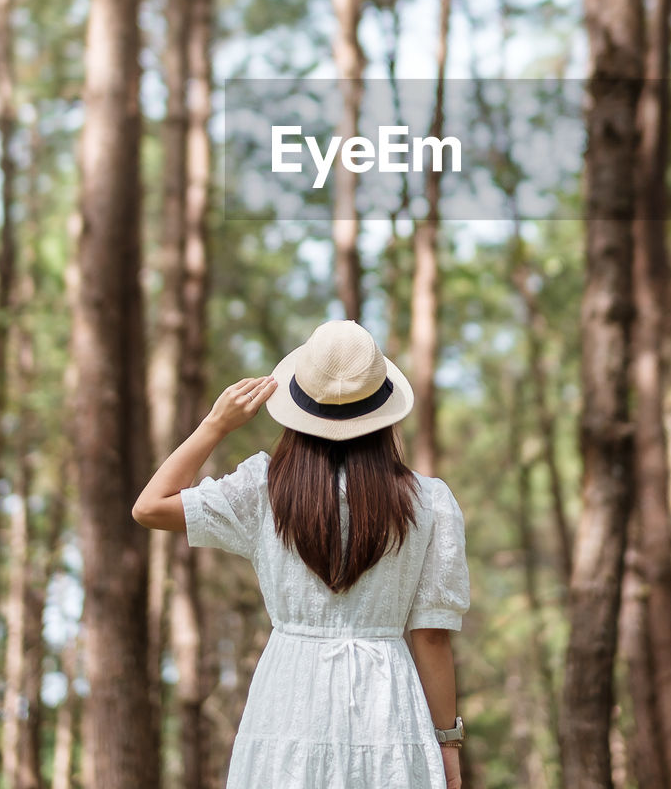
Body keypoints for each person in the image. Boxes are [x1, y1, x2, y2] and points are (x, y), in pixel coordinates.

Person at [133, 318, 470, 788]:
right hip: (387, 705)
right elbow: (432, 637)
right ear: (384, 410)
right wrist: (447, 742)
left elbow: (150, 507)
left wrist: (217, 424)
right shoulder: (428, 502)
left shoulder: (263, 491)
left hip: (288, 697)